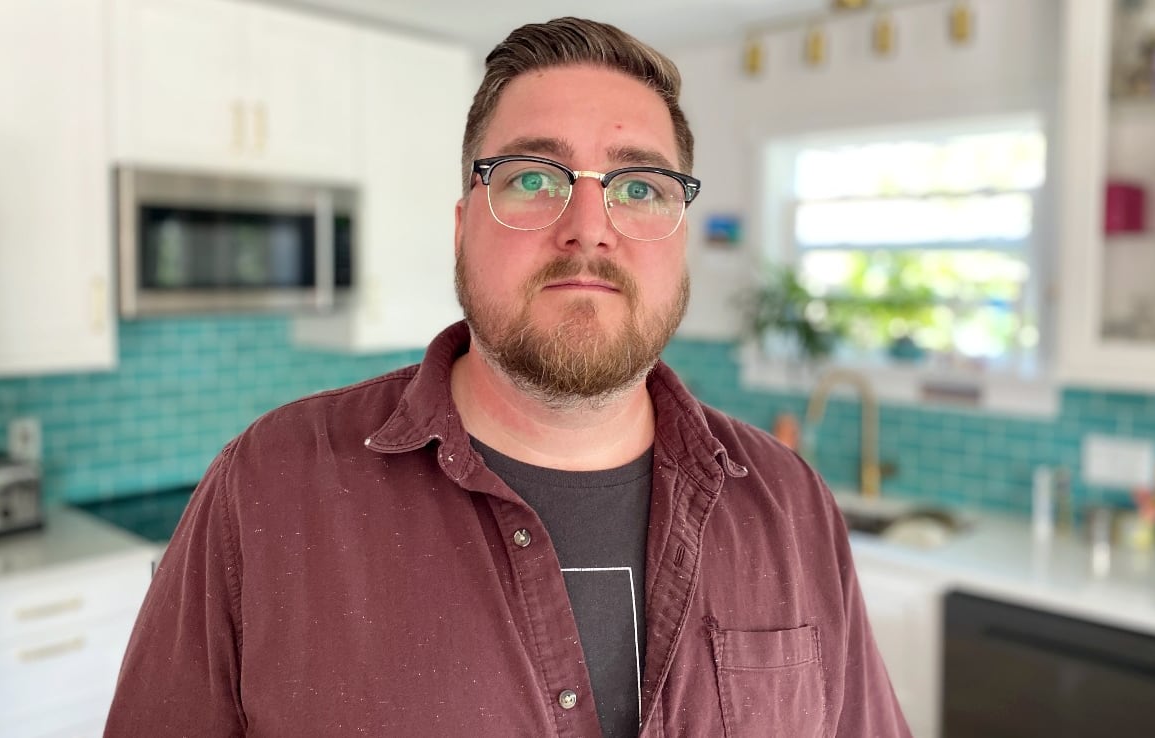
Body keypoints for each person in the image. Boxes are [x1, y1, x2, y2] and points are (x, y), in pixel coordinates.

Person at [104, 16, 910, 738]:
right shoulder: (267, 491)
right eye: (532, 178)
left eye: (638, 187)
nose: (588, 228)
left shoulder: (791, 508)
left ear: (681, 239)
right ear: (463, 230)